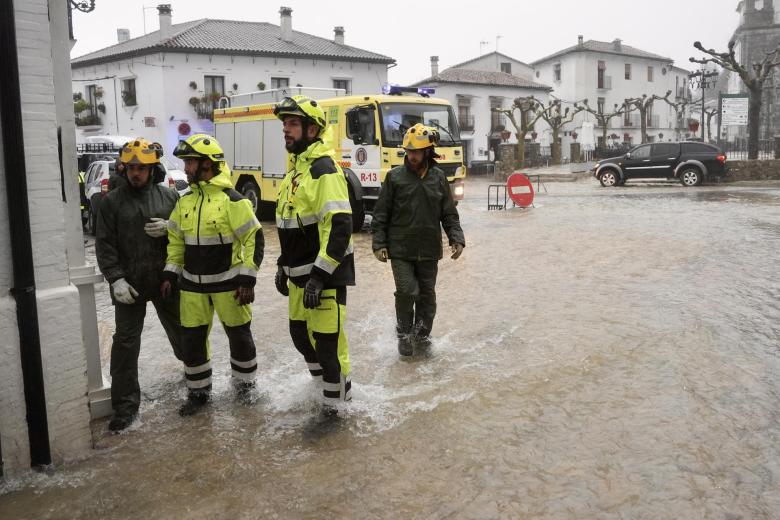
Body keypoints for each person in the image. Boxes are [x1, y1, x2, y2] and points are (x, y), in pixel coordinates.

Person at [162, 134, 264, 416]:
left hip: (229, 287)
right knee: (192, 341)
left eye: (190, 162)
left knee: (239, 338)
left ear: (207, 164)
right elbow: (175, 241)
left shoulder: (234, 200)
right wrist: (170, 275)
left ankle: (245, 389)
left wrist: (247, 279)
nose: (185, 169)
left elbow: (254, 241)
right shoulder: (184, 202)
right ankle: (198, 394)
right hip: (192, 288)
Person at [272, 95, 354, 414]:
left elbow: (340, 224)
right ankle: (325, 390)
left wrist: (319, 277)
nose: (286, 130)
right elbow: (289, 223)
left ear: (312, 129)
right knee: (300, 336)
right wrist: (282, 265)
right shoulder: (296, 172)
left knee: (327, 345)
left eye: (292, 124)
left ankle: (335, 411)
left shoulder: (323, 169)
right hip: (298, 278)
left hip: (323, 278)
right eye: (285, 124)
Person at [95, 138, 182, 432]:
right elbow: (104, 244)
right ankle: (125, 407)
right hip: (128, 287)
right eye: (131, 167)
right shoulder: (111, 202)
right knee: (125, 344)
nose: (135, 173)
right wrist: (116, 279)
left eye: (141, 168)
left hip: (165, 281)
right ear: (123, 167)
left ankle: (197, 382)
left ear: (152, 168)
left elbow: (186, 236)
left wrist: (172, 228)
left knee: (186, 332)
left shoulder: (170, 198)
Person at [371, 123, 466, 357]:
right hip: (400, 248)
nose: (411, 156)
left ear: (427, 152)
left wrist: (457, 239)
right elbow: (381, 213)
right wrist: (379, 244)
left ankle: (422, 336)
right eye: (409, 152)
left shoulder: (438, 178)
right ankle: (403, 334)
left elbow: (449, 214)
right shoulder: (394, 177)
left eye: (416, 152)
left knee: (427, 296)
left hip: (429, 249)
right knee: (407, 291)